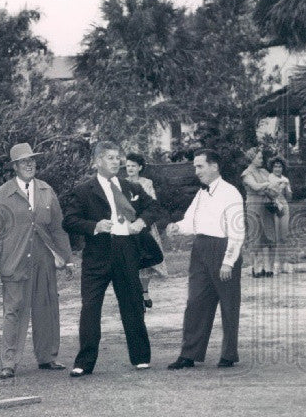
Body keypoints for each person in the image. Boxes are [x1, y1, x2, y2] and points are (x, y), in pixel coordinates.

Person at [62, 141, 162, 376]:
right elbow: (69, 221)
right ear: (97, 162)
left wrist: (141, 222)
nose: (116, 161)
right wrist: (94, 226)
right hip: (97, 255)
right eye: (110, 158)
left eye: (118, 157)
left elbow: (154, 207)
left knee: (133, 305)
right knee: (90, 308)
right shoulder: (84, 190)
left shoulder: (130, 187)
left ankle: (141, 357)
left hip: (127, 251)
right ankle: (84, 363)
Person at [0, 143, 72, 379]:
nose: (29, 164)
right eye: (24, 161)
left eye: (32, 160)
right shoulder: (3, 194)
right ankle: (8, 362)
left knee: (46, 309)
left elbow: (58, 228)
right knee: (13, 311)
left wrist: (68, 259)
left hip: (44, 261)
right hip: (13, 262)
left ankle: (47, 358)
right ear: (15, 166)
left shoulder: (46, 190)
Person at [167, 149, 245, 369]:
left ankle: (229, 354)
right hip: (200, 249)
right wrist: (177, 227)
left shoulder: (231, 193)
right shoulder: (201, 193)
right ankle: (189, 354)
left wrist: (228, 261)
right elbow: (191, 221)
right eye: (195, 166)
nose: (196, 171)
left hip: (222, 248)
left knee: (229, 305)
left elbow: (238, 232)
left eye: (200, 166)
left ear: (214, 166)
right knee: (195, 302)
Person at [124, 153, 169, 307]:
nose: (130, 168)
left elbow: (151, 204)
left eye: (133, 166)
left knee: (148, 260)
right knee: (132, 259)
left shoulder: (146, 183)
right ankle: (135, 293)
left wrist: (142, 221)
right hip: (128, 226)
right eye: (128, 165)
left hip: (145, 225)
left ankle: (145, 291)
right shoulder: (121, 183)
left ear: (140, 168)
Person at [241, 147, 278, 277]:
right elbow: (255, 186)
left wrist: (271, 188)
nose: (262, 159)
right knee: (256, 236)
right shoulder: (246, 173)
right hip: (254, 205)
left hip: (266, 204)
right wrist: (269, 184)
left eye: (262, 157)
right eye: (259, 157)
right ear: (252, 158)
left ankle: (268, 267)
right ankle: (256, 267)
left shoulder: (264, 171)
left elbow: (275, 188)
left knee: (268, 235)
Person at [267, 157, 293, 274]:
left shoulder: (285, 179)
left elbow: (289, 198)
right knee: (274, 239)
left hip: (284, 207)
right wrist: (278, 187)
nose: (278, 169)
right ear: (272, 167)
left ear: (283, 167)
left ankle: (283, 265)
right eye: (276, 166)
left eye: (280, 166)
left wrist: (287, 188)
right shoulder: (268, 178)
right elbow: (269, 195)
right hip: (273, 207)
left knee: (283, 238)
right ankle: (273, 266)